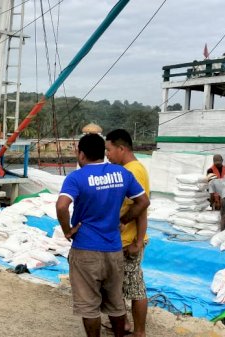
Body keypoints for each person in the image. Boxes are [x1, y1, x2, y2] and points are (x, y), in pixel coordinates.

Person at [56, 133, 150, 337]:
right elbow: (143, 201)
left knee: (89, 306)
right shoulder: (122, 174)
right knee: (116, 303)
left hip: (86, 249)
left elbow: (62, 206)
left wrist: (67, 231)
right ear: (102, 153)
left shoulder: (76, 177)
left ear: (81, 154)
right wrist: (123, 220)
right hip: (114, 249)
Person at [105, 129, 149, 337]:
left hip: (129, 241)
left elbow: (142, 207)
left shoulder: (133, 171)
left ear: (121, 148)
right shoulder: (125, 170)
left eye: (109, 149)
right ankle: (124, 325)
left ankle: (139, 332)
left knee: (136, 288)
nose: (107, 154)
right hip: (120, 241)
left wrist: (138, 241)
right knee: (118, 286)